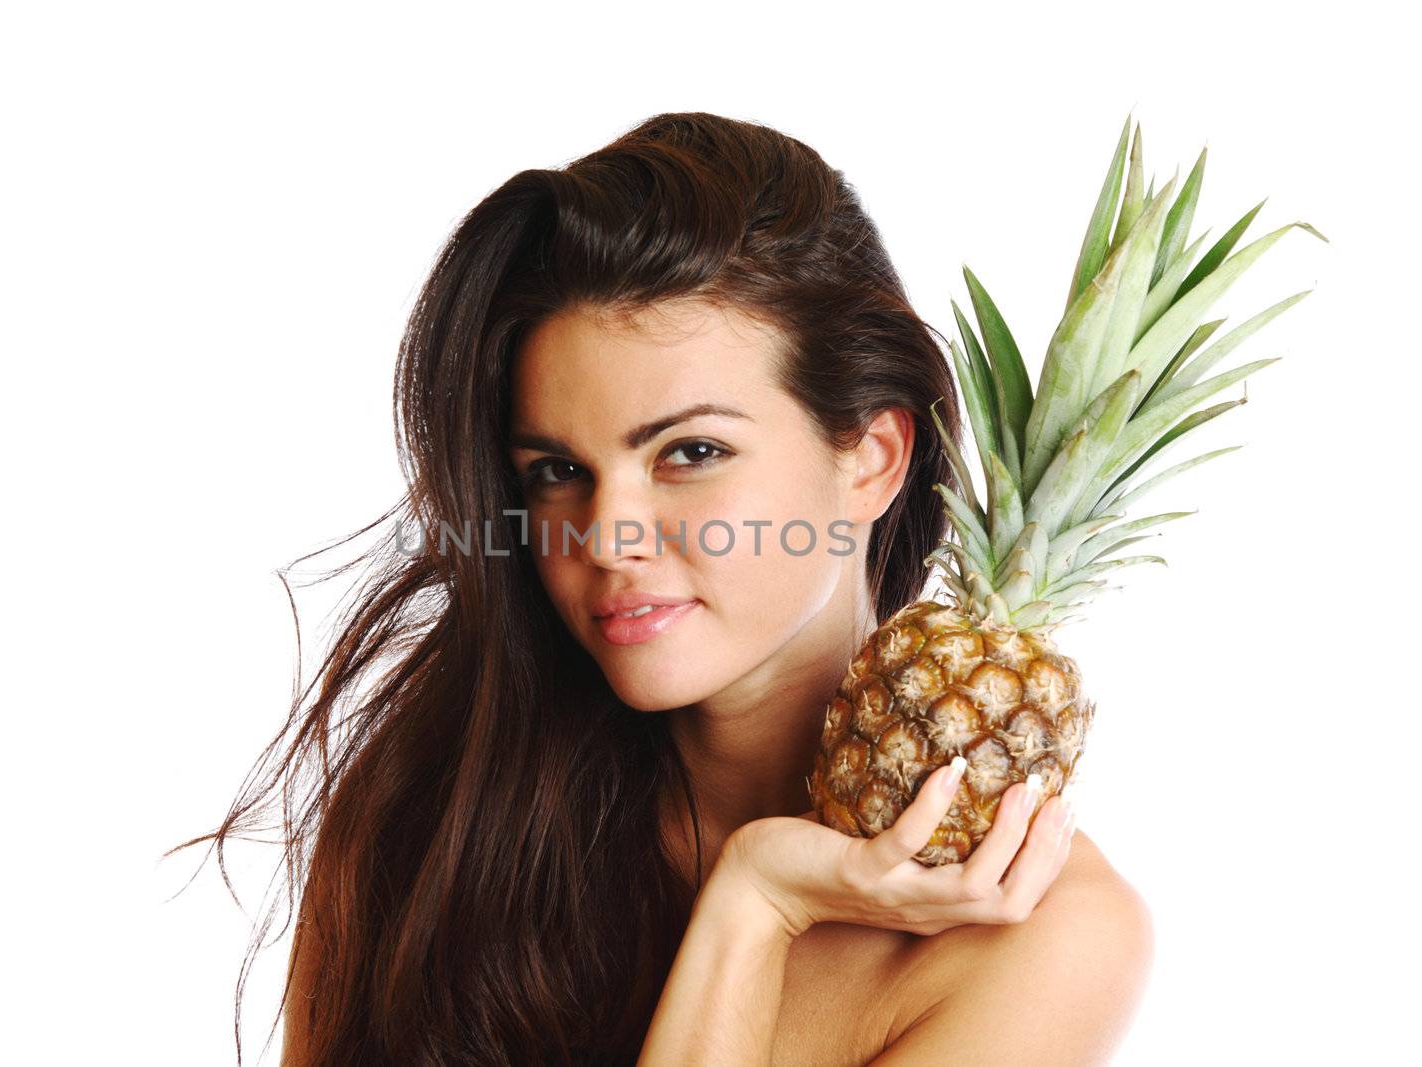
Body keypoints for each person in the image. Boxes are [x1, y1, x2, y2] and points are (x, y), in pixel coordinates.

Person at [171, 111, 1154, 1066]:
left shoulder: (1043, 936)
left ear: (871, 455)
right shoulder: (440, 808)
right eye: (555, 469)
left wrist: (754, 905)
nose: (606, 537)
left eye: (689, 451)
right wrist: (754, 898)